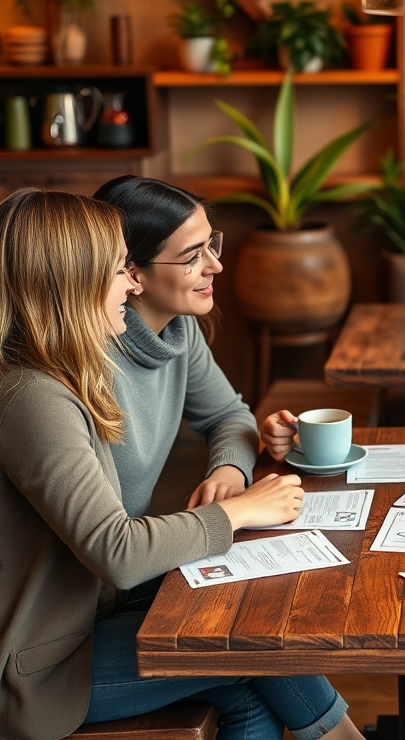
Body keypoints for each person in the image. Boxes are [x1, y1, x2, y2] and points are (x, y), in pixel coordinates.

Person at [0, 189, 369, 740]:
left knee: (242, 656)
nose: (131, 284)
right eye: (119, 270)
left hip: (81, 617)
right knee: (243, 643)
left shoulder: (55, 372)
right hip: (35, 669)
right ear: (70, 285)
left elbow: (225, 418)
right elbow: (118, 552)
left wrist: (233, 483)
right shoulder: (32, 398)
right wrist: (239, 510)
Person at [92, 175, 277, 518]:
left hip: (130, 555)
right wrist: (238, 513)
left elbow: (228, 415)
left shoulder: (178, 328)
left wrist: (229, 471)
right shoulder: (81, 356)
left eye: (211, 245)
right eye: (192, 257)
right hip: (102, 562)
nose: (216, 265)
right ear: (131, 271)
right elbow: (109, 547)